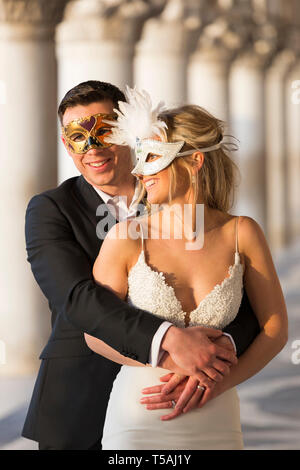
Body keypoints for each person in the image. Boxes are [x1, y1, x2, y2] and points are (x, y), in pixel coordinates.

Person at [22, 81, 260, 450]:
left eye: (105, 131)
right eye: (78, 137)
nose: (94, 148)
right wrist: (170, 340)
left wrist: (219, 351)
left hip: (184, 399)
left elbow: (238, 295)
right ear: (66, 145)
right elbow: (77, 298)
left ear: (131, 132)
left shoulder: (178, 196)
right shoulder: (50, 208)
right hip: (77, 401)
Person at [85, 87, 288, 450]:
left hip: (218, 417)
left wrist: (218, 382)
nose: (138, 170)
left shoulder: (242, 233)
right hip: (139, 418)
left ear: (194, 161)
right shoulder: (126, 236)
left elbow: (275, 329)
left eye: (152, 157)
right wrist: (167, 356)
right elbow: (94, 332)